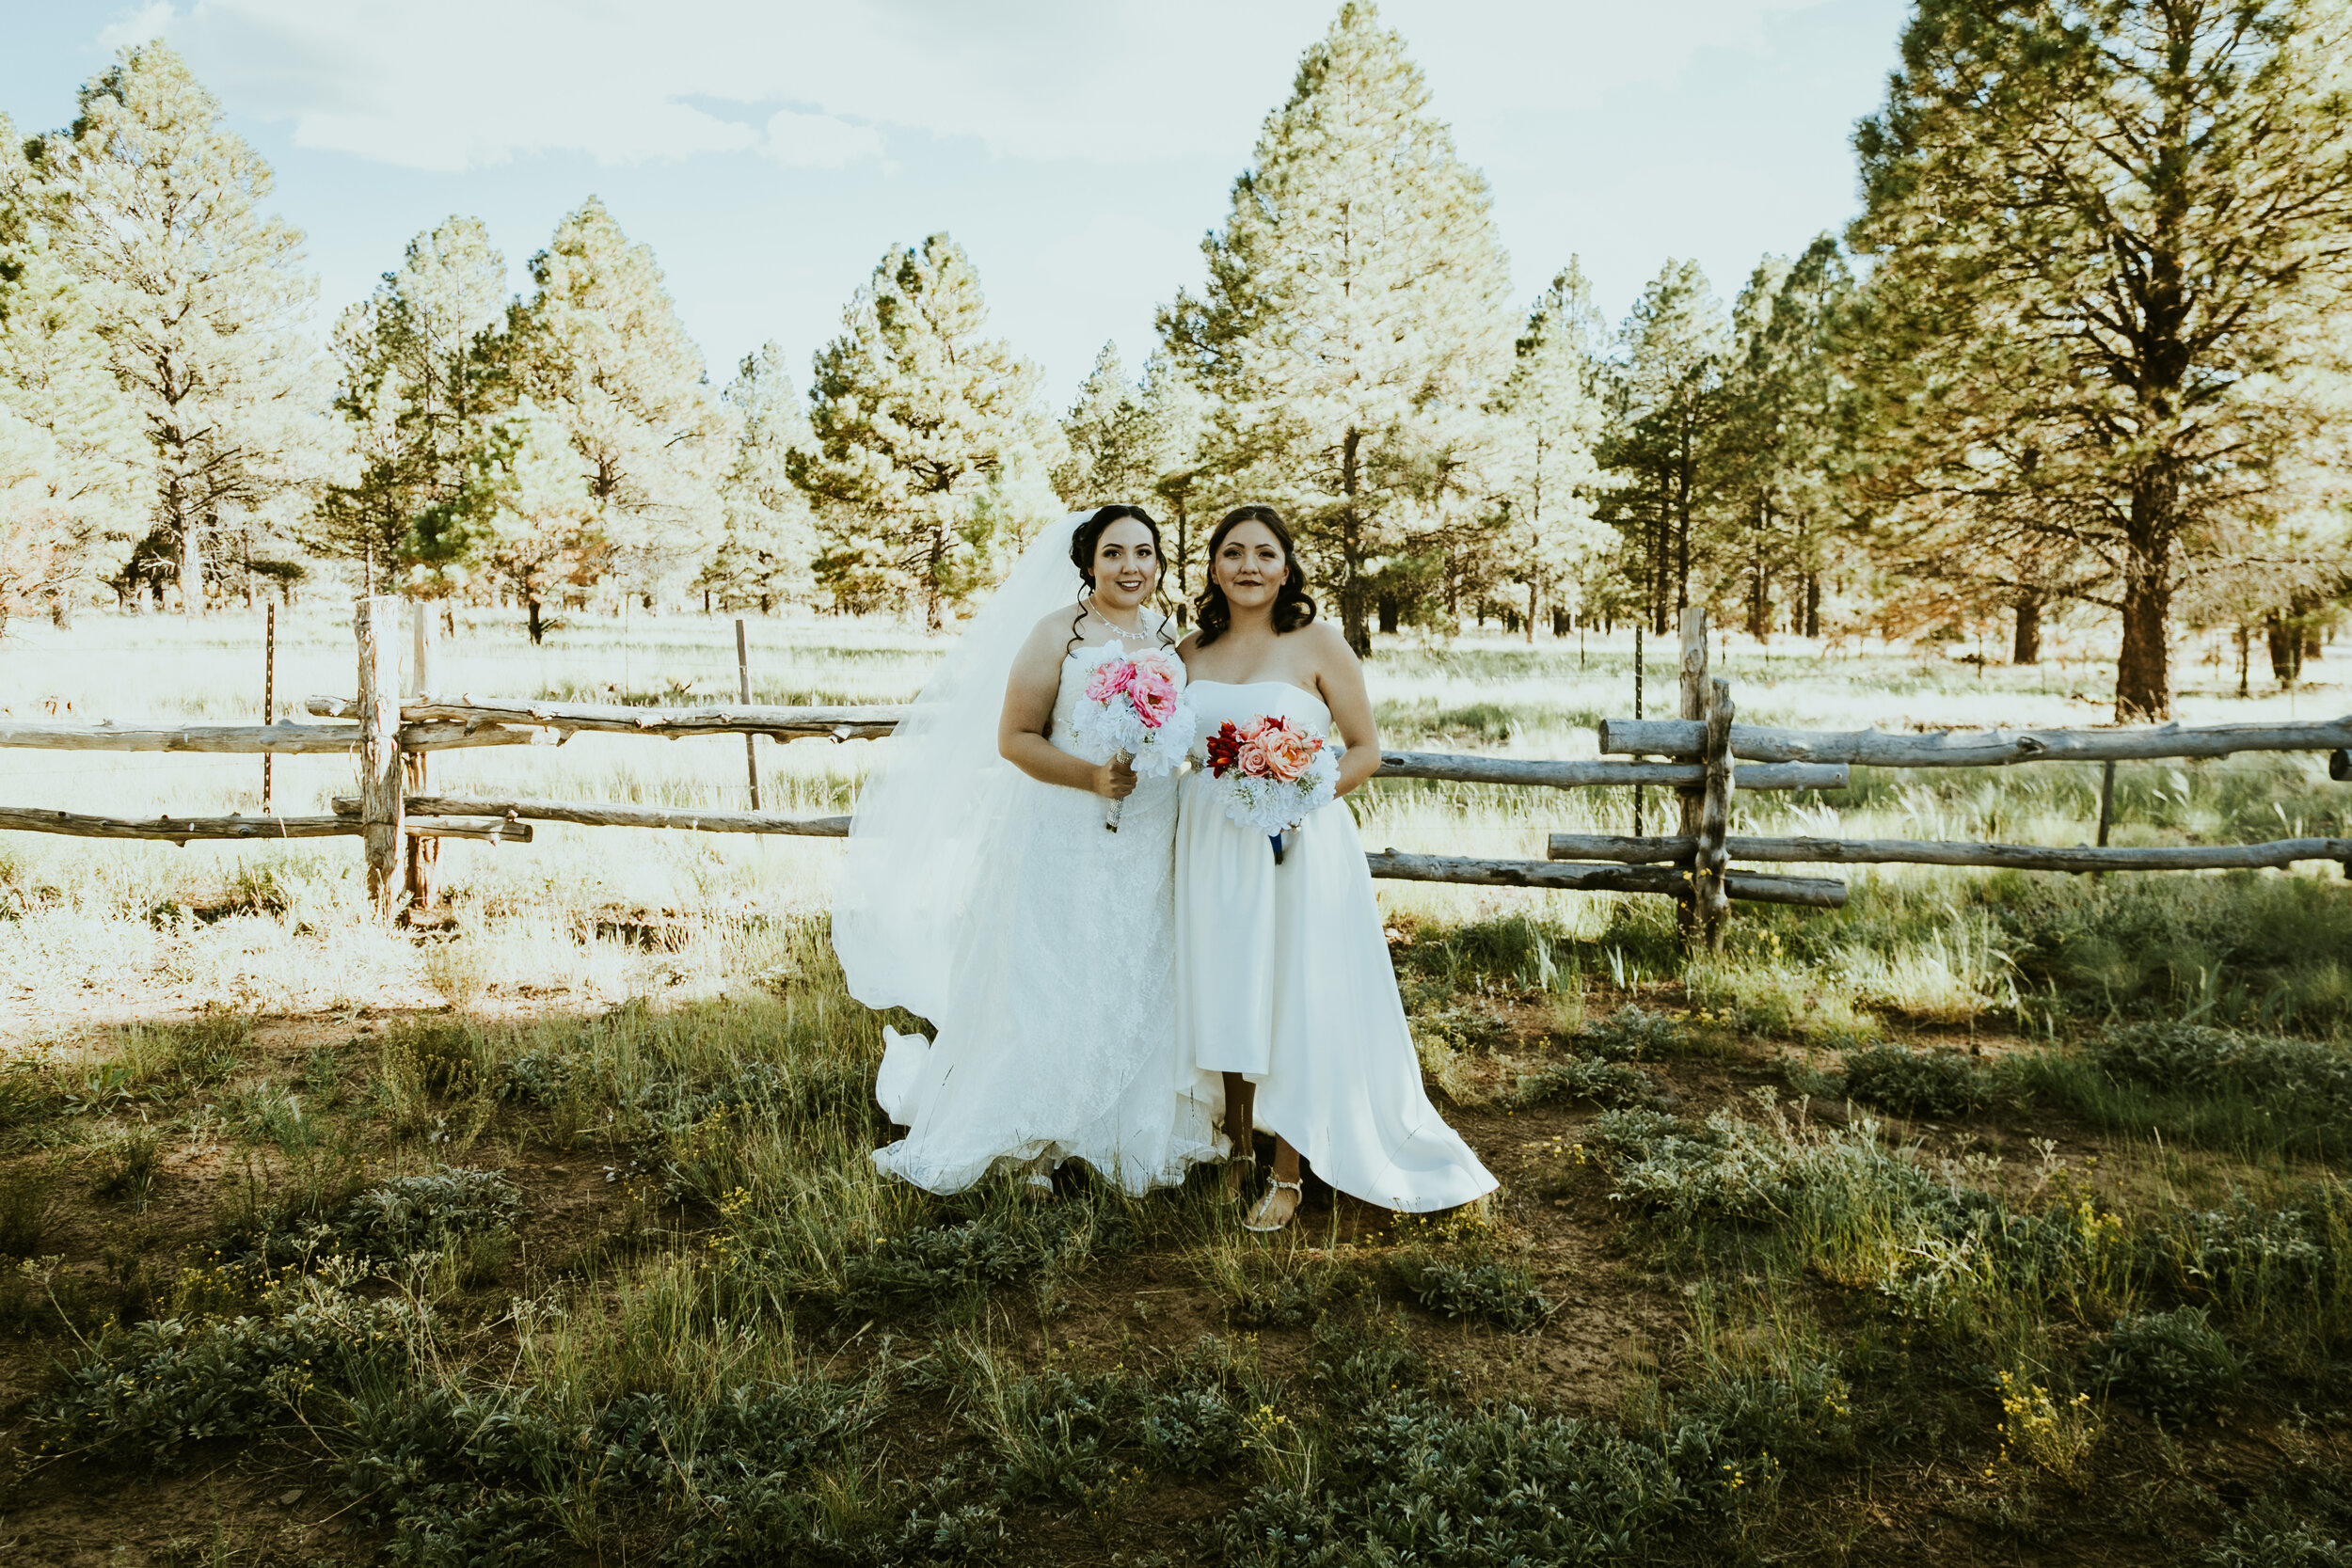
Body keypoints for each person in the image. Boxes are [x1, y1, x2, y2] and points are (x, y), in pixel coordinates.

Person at [834, 506, 1222, 1195]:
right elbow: (1015, 738)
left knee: (1133, 966)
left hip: (1146, 829)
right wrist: (1092, 777)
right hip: (1066, 830)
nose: (1131, 566)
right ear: (1087, 563)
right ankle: (1030, 1138)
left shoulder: (1168, 637)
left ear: (1160, 561)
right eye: (1114, 553)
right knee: (1056, 974)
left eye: (1144, 552)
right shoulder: (1055, 636)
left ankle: (1117, 1128)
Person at [1173, 505, 1497, 1231]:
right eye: (1232, 553)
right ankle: (1234, 1146)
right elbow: (1178, 749)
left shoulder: (1318, 641)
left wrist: (1296, 789)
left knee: (1295, 991)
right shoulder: (1191, 652)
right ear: (1214, 567)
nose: (1248, 566)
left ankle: (1289, 1168)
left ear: (1287, 567)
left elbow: (1363, 749)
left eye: (1264, 553)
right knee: (1225, 982)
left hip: (1298, 839)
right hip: (1211, 839)